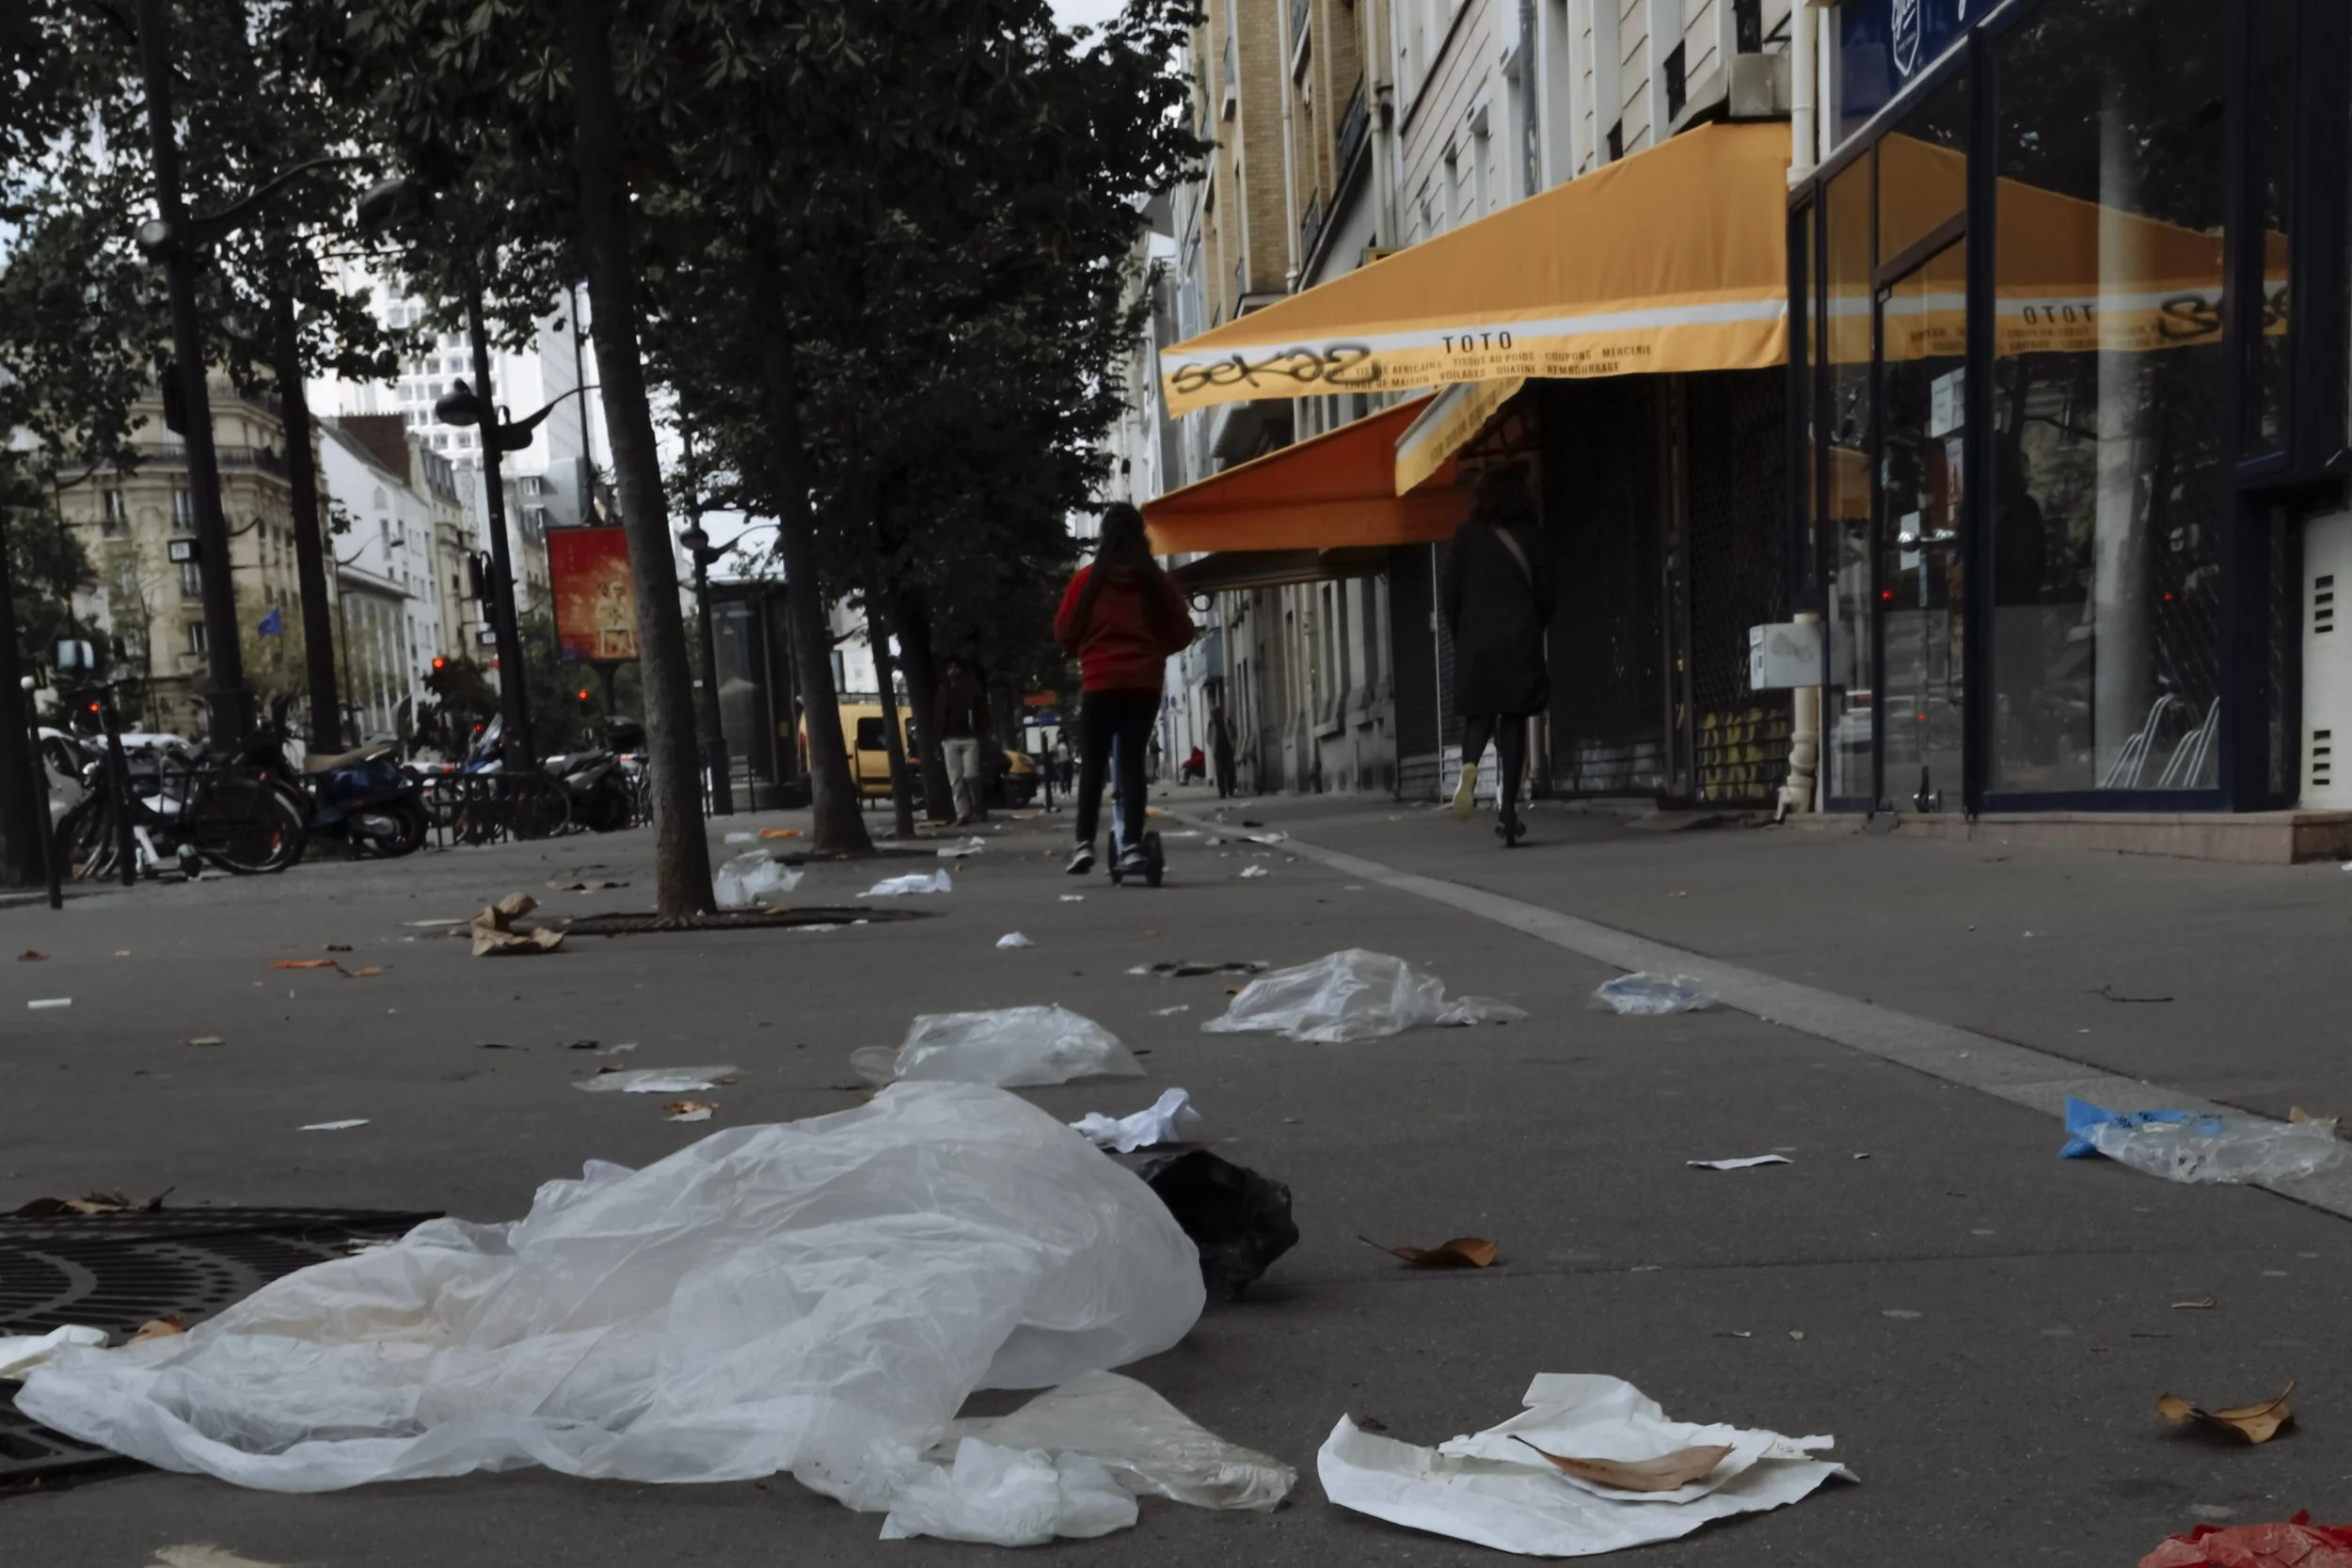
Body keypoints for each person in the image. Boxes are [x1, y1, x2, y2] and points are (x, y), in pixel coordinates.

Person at [1053, 502, 1194, 876]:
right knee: (1131, 763)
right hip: (1143, 684)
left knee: (1094, 766)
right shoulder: (1157, 583)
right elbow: (1182, 631)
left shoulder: (1087, 581)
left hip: (1100, 682)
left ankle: (1084, 843)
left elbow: (1065, 630)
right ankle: (1131, 844)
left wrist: (1083, 652)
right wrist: (1155, 651)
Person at [1441, 466, 1554, 847]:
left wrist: (1465, 637)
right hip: (1518, 640)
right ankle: (1508, 808)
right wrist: (1534, 622)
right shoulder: (1532, 536)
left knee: (1480, 717)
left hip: (1476, 643)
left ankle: (1470, 770)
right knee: (1514, 721)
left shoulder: (1465, 537)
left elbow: (1450, 597)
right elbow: (1548, 592)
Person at [933, 656, 992, 827]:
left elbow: (981, 712)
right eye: (950, 668)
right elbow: (938, 716)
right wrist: (939, 738)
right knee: (955, 779)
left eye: (956, 667)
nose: (953, 671)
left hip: (969, 738)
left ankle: (978, 807)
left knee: (971, 775)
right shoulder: (943, 690)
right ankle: (962, 814)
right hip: (950, 739)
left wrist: (982, 731)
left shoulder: (971, 689)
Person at [1209, 702, 1236, 799]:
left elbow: (1233, 732)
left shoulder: (1226, 721)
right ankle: (1222, 792)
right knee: (1220, 772)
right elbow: (1208, 737)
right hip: (1218, 750)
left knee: (1230, 771)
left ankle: (1230, 789)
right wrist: (1212, 746)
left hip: (1228, 748)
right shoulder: (1211, 724)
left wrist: (1233, 743)